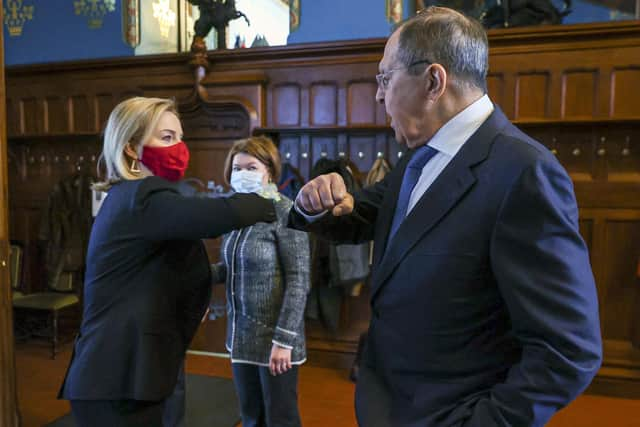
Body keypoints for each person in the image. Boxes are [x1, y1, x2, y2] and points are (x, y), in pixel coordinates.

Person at [289, 7, 602, 427]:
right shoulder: (420, 156)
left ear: (433, 81)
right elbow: (365, 214)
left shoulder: (524, 173)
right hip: (387, 405)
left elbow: (569, 351)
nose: (379, 95)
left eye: (385, 78)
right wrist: (315, 202)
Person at [58, 97, 277, 427]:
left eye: (180, 137)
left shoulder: (135, 199)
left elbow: (162, 268)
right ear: (132, 147)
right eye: (166, 138)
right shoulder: (140, 196)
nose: (179, 147)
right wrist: (276, 203)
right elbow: (219, 214)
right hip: (115, 378)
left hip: (132, 373)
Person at [211, 136, 310, 427]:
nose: (242, 174)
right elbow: (230, 268)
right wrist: (197, 276)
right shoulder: (235, 212)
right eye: (237, 169)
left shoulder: (286, 211)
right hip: (240, 339)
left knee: (281, 419)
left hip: (276, 342)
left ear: (269, 170)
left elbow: (299, 279)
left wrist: (284, 340)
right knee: (252, 418)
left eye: (250, 167)